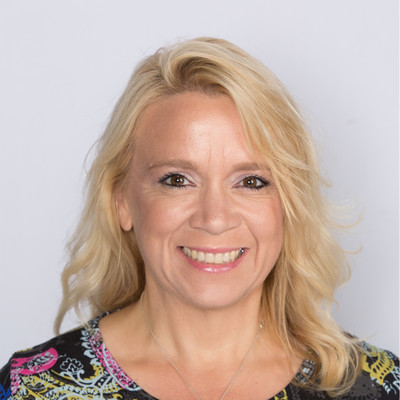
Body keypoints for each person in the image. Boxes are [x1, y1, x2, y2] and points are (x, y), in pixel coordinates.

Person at [0, 37, 398, 400]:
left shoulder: (377, 386)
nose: (214, 218)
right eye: (177, 180)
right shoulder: (32, 389)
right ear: (121, 200)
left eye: (251, 182)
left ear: (290, 204)